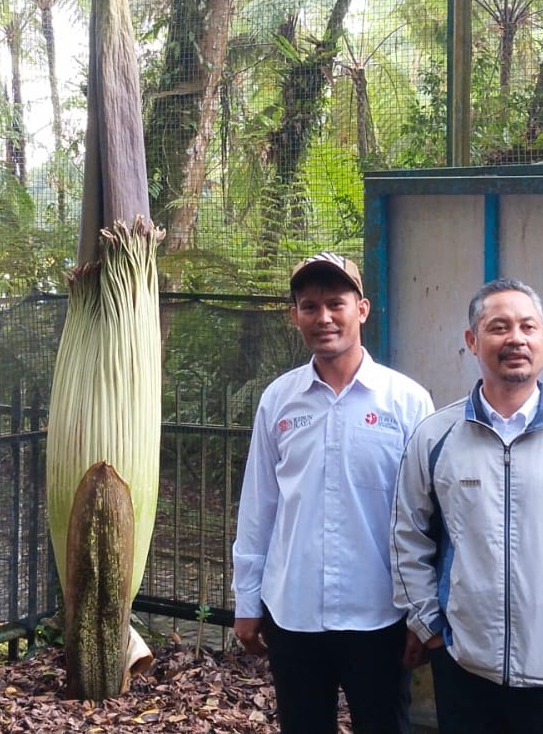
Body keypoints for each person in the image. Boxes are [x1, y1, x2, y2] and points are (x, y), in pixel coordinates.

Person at [390, 278, 543, 734]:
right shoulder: (434, 437)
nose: (515, 339)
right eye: (498, 327)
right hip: (465, 668)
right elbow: (408, 535)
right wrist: (429, 627)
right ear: (472, 341)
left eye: (528, 327)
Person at [232, 251, 436, 734]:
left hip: (380, 615)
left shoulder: (406, 401)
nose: (323, 318)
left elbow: (427, 516)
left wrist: (421, 615)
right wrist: (247, 601)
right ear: (295, 316)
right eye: (309, 306)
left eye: (336, 304)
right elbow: (259, 506)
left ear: (361, 310)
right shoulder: (279, 400)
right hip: (293, 612)